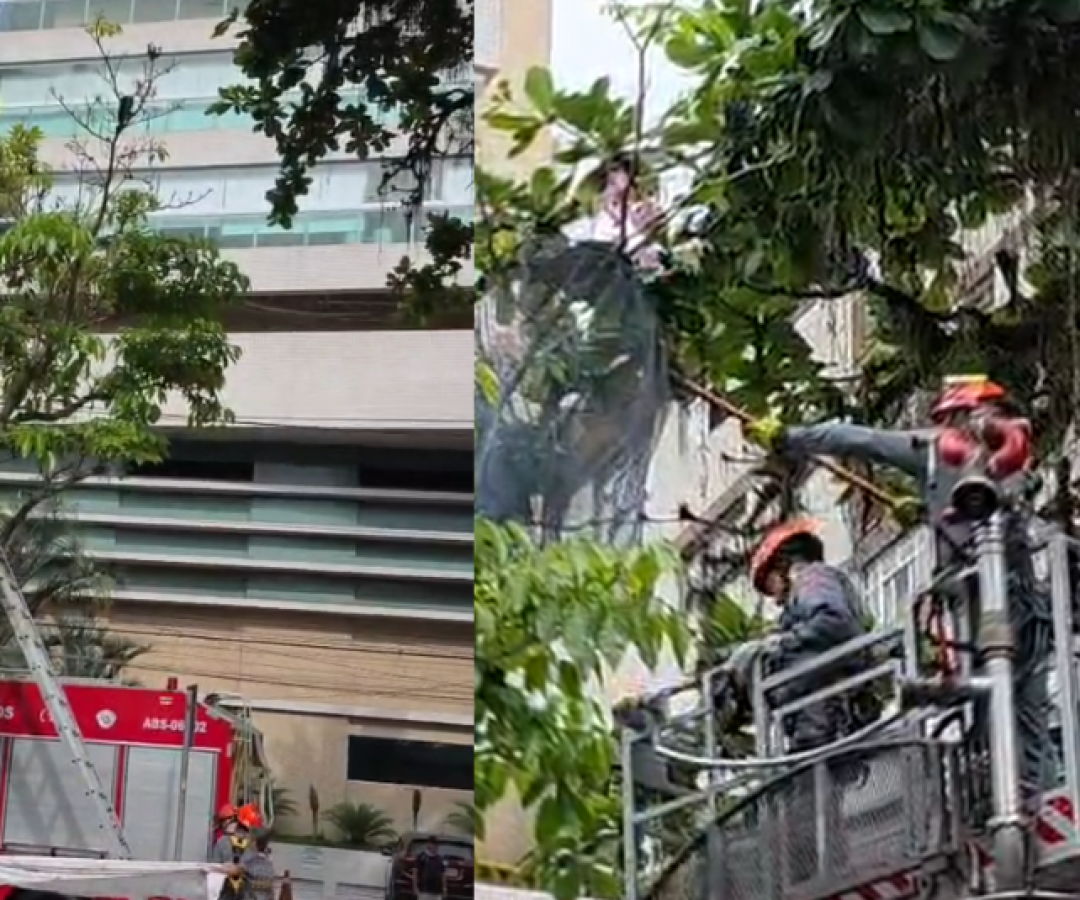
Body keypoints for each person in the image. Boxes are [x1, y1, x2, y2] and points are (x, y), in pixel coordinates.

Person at [745, 375, 1057, 796]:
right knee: (1015, 706)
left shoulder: (943, 448)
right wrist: (933, 511)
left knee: (1000, 705)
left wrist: (790, 437)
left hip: (985, 602)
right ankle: (1029, 794)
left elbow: (860, 439)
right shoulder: (1004, 454)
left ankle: (1018, 798)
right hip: (1010, 599)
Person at [748, 518, 871, 753]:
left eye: (770, 583)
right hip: (819, 716)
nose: (774, 598)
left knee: (748, 658)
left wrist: (783, 642)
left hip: (826, 712)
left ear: (784, 566)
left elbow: (833, 621)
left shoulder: (812, 578)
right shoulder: (815, 586)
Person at [413, 835, 447, 900]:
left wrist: (444, 888)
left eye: (436, 845)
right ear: (428, 844)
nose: (435, 847)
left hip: (437, 892)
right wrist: (415, 887)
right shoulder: (421, 857)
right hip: (424, 891)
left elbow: (443, 874)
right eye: (433, 844)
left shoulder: (440, 859)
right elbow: (415, 873)